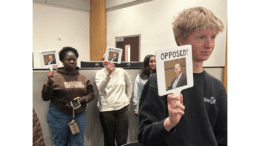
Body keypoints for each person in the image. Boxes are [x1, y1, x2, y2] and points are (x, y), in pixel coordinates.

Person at [138, 7, 227, 146]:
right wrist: (169, 123)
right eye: (201, 37)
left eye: (213, 37)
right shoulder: (159, 82)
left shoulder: (217, 87)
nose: (209, 45)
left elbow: (223, 137)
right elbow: (145, 136)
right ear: (181, 41)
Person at [42, 46, 95, 146]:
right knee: (60, 143)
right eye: (68, 59)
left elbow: (91, 95)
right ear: (62, 61)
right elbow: (45, 97)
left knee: (78, 143)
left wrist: (82, 99)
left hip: (78, 115)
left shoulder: (83, 78)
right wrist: (49, 82)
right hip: (59, 115)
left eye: (74, 59)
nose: (72, 62)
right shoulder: (55, 76)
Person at [95, 54, 132, 146]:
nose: (104, 61)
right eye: (103, 59)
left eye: (106, 59)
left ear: (113, 60)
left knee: (122, 139)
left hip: (122, 108)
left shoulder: (122, 72)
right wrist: (108, 74)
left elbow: (129, 84)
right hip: (106, 109)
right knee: (109, 140)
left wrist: (127, 98)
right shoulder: (99, 73)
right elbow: (101, 88)